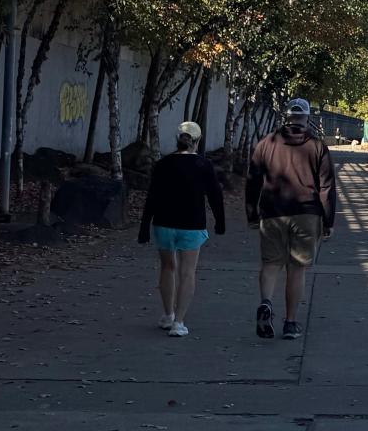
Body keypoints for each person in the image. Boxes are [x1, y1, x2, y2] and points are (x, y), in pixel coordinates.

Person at [246, 97, 336, 340]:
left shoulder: (266, 144)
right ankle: (290, 322)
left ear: (286, 116)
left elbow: (253, 181)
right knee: (297, 268)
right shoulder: (317, 146)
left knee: (270, 264)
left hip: (272, 212)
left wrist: (252, 214)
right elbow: (326, 187)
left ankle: (266, 302)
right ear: (306, 117)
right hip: (307, 213)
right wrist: (328, 221)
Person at [137, 120, 226, 337]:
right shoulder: (204, 165)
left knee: (167, 268)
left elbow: (152, 196)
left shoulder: (163, 164)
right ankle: (179, 322)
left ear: (177, 139)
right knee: (187, 272)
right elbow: (215, 195)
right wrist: (220, 222)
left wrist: (144, 226)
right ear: (197, 141)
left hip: (164, 223)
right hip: (192, 225)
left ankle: (168, 315)